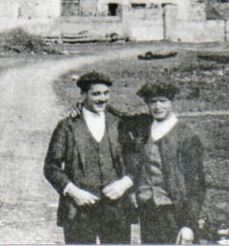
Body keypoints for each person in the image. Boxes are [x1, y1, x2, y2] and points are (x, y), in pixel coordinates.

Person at [44, 71, 134, 244]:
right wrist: (73, 192)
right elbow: (51, 167)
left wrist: (124, 183)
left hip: (116, 208)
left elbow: (136, 159)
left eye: (106, 93)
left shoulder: (119, 123)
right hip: (79, 209)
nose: (102, 99)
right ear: (83, 95)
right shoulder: (67, 126)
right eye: (96, 94)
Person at [123, 81, 206, 245]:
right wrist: (80, 106)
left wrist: (189, 225)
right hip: (147, 206)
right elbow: (115, 115)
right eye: (152, 102)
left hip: (173, 209)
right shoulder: (144, 128)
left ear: (171, 102)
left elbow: (196, 184)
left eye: (163, 101)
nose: (158, 106)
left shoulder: (186, 136)